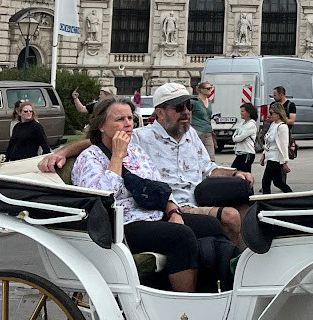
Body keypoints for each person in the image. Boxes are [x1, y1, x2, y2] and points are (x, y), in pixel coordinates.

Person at [40, 83, 254, 247]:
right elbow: (99, 140)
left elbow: (208, 169)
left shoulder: (192, 136)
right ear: (160, 113)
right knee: (229, 216)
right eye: (179, 108)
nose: (186, 112)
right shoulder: (141, 137)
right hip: (173, 204)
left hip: (196, 196)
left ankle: (236, 272)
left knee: (246, 199)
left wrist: (235, 172)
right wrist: (63, 152)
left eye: (188, 106)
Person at [73, 98, 207, 293]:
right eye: (120, 119)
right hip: (120, 225)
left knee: (211, 227)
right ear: (101, 125)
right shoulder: (89, 158)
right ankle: (184, 307)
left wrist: (173, 212)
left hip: (152, 214)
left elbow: (158, 185)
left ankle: (211, 296)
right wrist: (117, 156)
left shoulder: (136, 152)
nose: (128, 124)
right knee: (182, 236)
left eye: (130, 118)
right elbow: (102, 198)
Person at [260, 107, 291, 194]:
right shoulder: (273, 125)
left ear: (278, 114)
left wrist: (285, 162)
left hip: (276, 158)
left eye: (271, 113)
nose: (270, 115)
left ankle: (266, 201)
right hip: (270, 156)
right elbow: (267, 142)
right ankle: (292, 196)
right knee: (278, 182)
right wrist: (264, 155)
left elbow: (284, 145)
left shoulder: (282, 127)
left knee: (265, 181)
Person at [269, 85, 298, 161]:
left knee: (283, 150)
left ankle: (284, 163)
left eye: (275, 95)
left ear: (281, 95)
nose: (273, 97)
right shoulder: (273, 105)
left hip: (284, 132)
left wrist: (280, 119)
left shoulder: (290, 105)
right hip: (273, 131)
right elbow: (269, 118)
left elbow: (292, 120)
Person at [190, 80, 218, 156]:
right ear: (201, 90)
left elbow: (208, 116)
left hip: (208, 131)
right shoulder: (194, 102)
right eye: (208, 88)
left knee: (211, 157)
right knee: (197, 155)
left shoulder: (209, 101)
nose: (210, 90)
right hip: (197, 131)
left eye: (211, 88)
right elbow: (188, 116)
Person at [230, 103, 259, 174]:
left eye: (243, 111)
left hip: (247, 153)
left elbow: (240, 138)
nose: (241, 113)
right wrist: (235, 138)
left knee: (244, 175)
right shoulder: (242, 124)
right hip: (240, 153)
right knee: (235, 172)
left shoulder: (251, 124)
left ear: (249, 112)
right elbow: (234, 136)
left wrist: (236, 138)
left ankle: (248, 185)